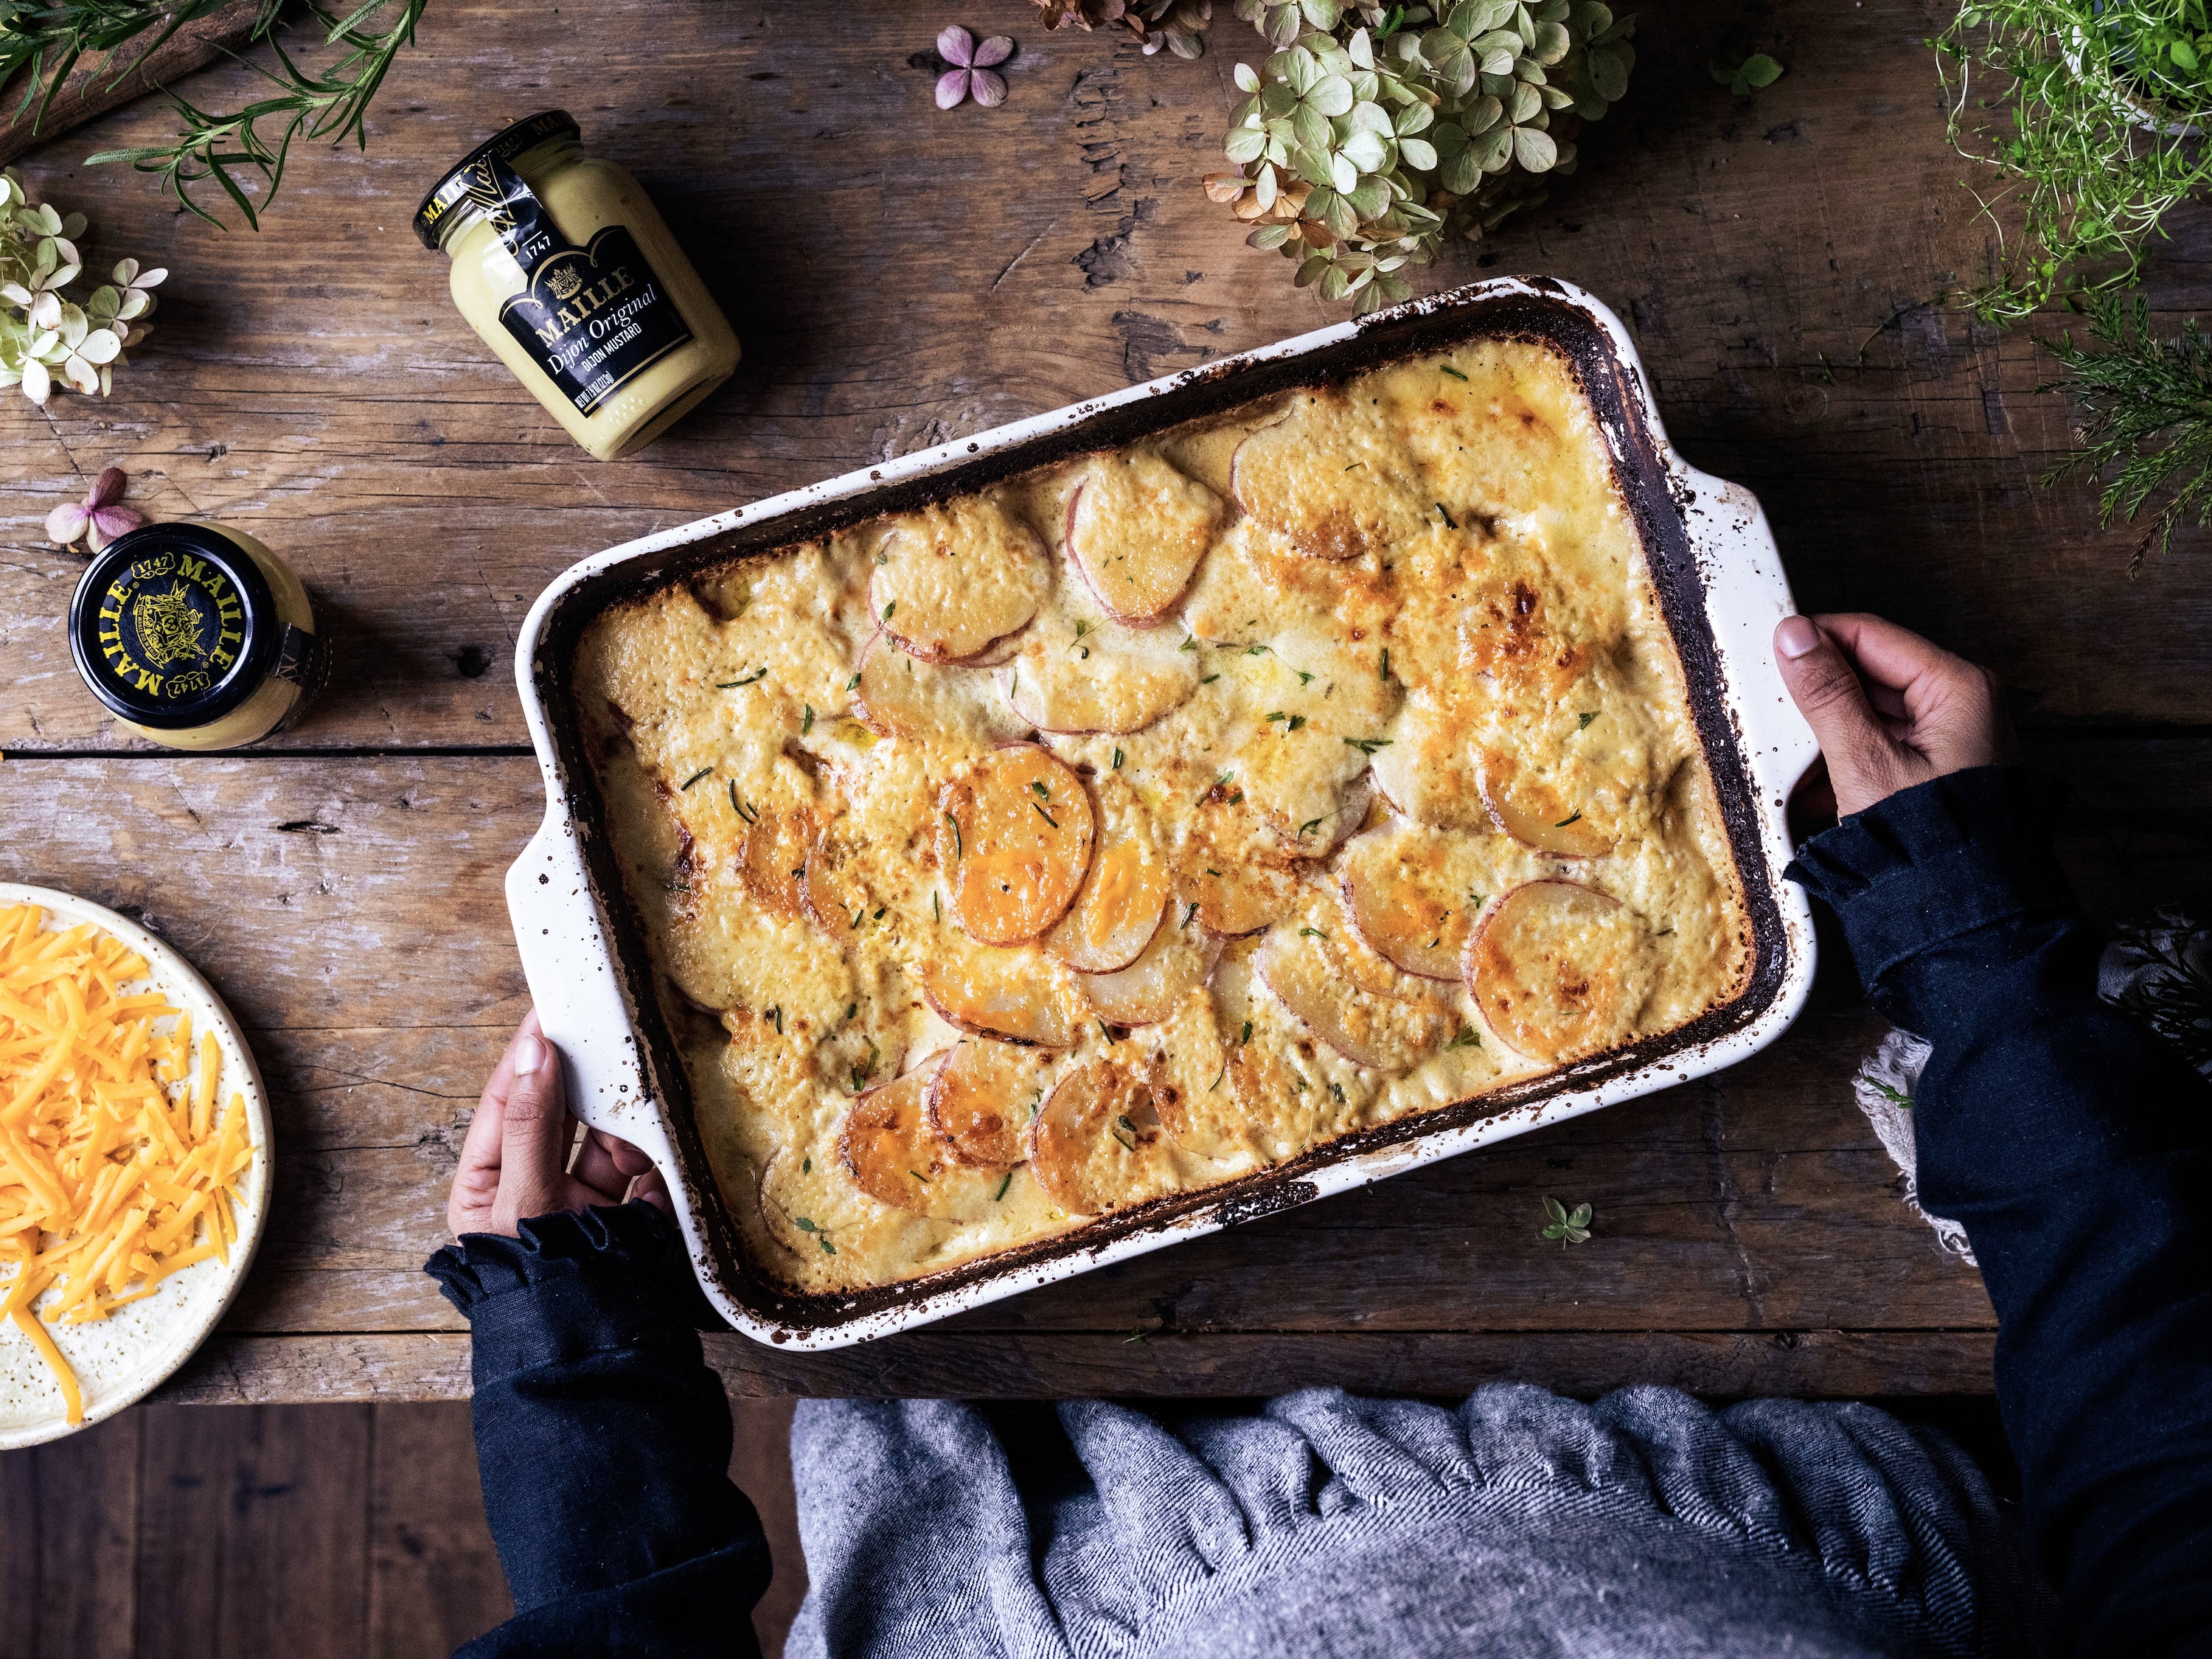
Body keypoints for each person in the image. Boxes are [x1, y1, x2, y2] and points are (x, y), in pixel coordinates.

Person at [427, 614, 2212, 1659]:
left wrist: (576, 1361)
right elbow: (2180, 1497)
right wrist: (1980, 970)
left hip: (1039, 1536)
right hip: (1808, 1497)